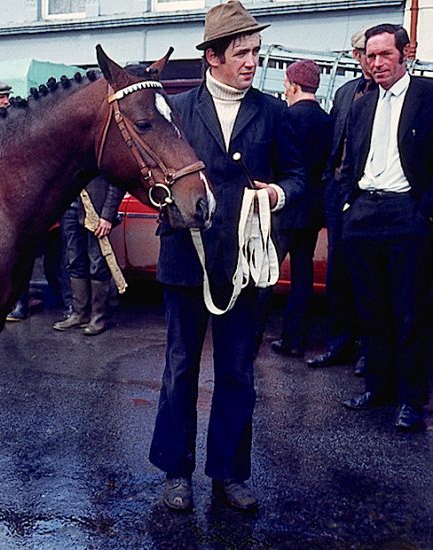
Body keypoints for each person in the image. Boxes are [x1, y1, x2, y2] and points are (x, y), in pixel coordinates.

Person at [149, 0, 304, 513]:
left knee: (237, 371)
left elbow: (301, 179)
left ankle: (230, 475)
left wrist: (277, 195)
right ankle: (177, 472)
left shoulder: (274, 112)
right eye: (241, 52)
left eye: (256, 52)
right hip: (185, 260)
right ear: (212, 56)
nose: (251, 61)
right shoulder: (178, 109)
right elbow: (152, 174)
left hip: (245, 266)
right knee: (180, 367)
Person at [339, 24, 433, 433]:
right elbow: (348, 159)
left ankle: (412, 400)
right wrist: (348, 204)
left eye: (384, 55)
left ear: (405, 53)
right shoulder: (360, 104)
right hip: (364, 215)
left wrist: (425, 211)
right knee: (371, 311)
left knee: (410, 312)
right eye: (370, 56)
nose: (375, 63)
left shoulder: (428, 97)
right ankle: (378, 388)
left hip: (407, 215)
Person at [306, 29, 375, 374]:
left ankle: (370, 349)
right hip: (337, 189)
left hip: (368, 194)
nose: (364, 59)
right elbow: (334, 140)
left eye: (368, 52)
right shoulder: (347, 91)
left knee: (368, 274)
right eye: (359, 53)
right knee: (338, 273)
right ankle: (340, 342)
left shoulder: (390, 93)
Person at [266, 59, 333, 358]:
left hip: (285, 204)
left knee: (265, 272)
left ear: (293, 85)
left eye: (285, 84)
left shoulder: (285, 117)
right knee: (302, 276)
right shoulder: (327, 120)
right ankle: (295, 340)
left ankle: (249, 334)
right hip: (313, 208)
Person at [53, 175, 124, 335]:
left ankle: (98, 317)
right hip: (70, 209)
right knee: (74, 261)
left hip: (97, 212)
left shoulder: (102, 151)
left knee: (97, 263)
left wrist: (107, 216)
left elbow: (118, 181)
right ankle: (80, 314)